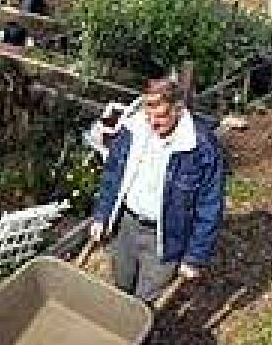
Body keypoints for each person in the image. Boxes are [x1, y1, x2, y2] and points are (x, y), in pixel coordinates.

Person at [88, 76, 225, 303]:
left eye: (161, 116)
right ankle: (120, 331)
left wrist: (195, 256)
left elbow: (209, 205)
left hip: (166, 234)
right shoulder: (133, 129)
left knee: (145, 301)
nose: (153, 123)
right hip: (125, 224)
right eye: (148, 115)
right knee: (121, 287)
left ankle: (139, 336)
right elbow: (113, 174)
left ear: (179, 110)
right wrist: (102, 215)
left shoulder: (199, 147)